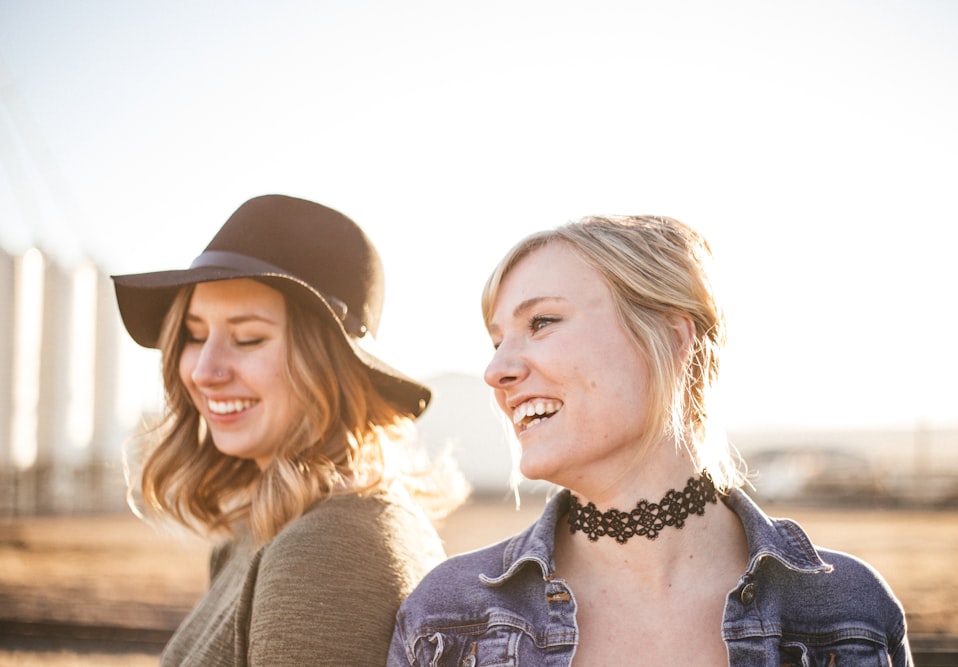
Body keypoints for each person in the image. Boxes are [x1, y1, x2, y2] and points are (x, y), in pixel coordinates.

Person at [388, 215, 912, 666]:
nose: (496, 370)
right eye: (498, 341)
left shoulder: (849, 612)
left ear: (672, 337)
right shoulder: (446, 618)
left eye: (542, 322)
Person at [112, 194, 467, 666]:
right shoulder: (264, 529)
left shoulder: (328, 552)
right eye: (195, 335)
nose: (204, 370)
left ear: (330, 365)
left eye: (248, 338)